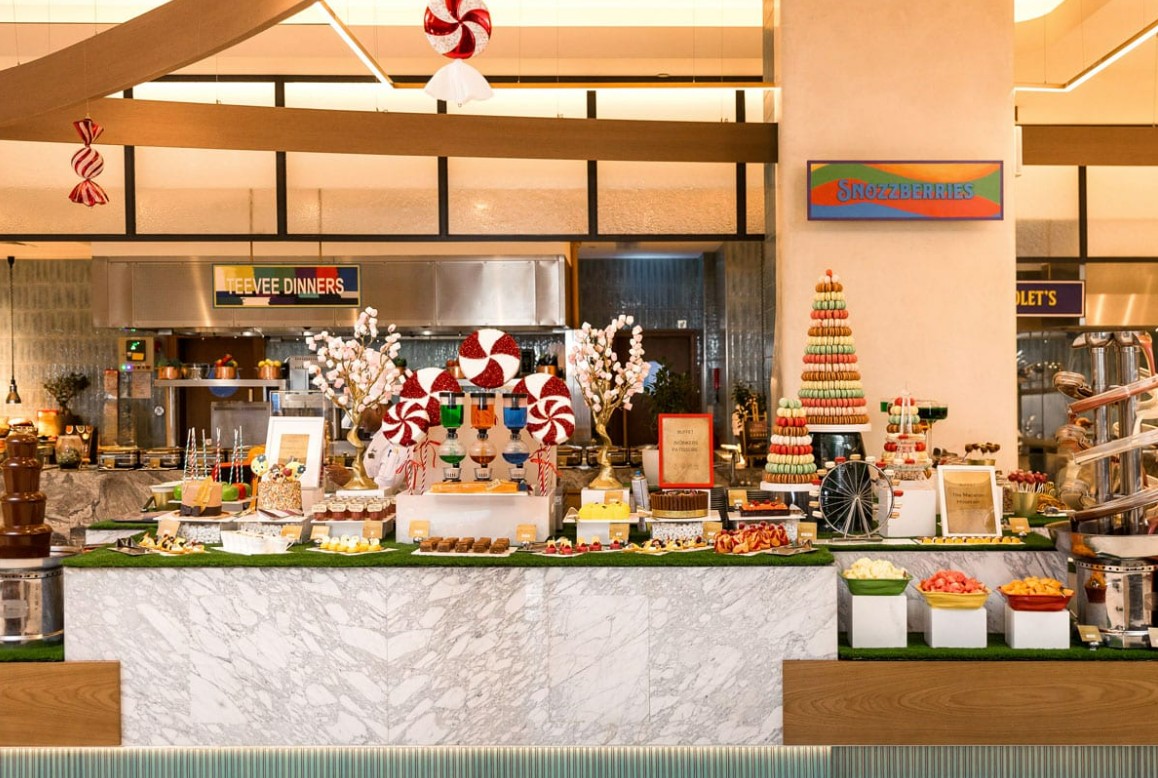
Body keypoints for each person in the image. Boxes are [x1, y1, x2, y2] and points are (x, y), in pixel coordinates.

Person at [325, 406, 409, 493]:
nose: (357, 419)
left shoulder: (396, 437)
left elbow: (386, 486)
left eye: (360, 412)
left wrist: (350, 479)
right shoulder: (380, 436)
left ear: (377, 409)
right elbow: (370, 474)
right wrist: (349, 475)